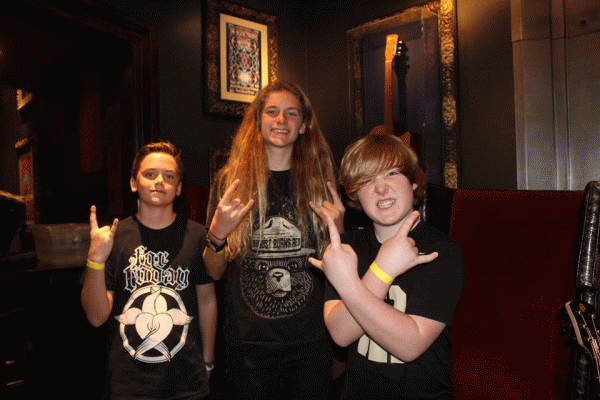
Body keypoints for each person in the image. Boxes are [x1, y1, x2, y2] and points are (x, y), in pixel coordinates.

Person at [203, 81, 345, 400]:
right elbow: (213, 271)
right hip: (249, 345)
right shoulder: (230, 184)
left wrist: (338, 231)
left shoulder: (321, 185)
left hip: (311, 343)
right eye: (272, 112)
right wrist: (217, 234)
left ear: (303, 125)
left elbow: (339, 271)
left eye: (291, 113)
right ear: (258, 121)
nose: (281, 120)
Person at [309, 132, 464, 400]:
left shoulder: (443, 250)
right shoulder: (346, 247)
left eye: (392, 173)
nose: (381, 188)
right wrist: (383, 268)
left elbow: (411, 344)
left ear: (413, 181)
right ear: (355, 193)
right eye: (367, 180)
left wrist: (370, 275)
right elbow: (341, 333)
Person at [81, 141, 217, 400]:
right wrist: (95, 258)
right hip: (129, 382)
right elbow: (96, 317)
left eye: (169, 176)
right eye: (150, 174)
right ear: (134, 183)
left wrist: (208, 362)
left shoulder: (198, 236)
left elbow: (207, 301)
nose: (159, 182)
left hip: (187, 380)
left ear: (178, 188)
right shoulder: (113, 238)